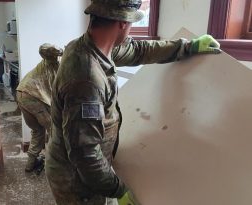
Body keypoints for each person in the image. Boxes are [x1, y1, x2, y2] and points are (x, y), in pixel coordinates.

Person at [45, 0, 221, 204]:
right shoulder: (85, 78)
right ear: (122, 22)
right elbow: (84, 154)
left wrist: (187, 46)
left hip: (87, 169)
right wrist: (119, 191)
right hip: (76, 181)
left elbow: (140, 50)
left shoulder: (94, 45)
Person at [16, 43, 63, 172]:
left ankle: (30, 164)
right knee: (54, 131)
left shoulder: (52, 66)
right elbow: (44, 48)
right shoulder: (52, 64)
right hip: (33, 97)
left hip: (22, 94)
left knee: (37, 130)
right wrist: (61, 50)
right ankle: (56, 165)